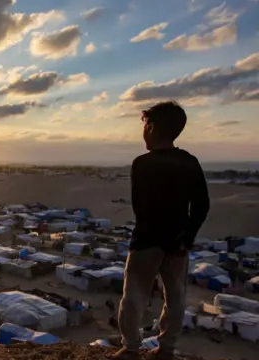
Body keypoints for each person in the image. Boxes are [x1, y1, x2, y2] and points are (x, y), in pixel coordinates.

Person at [112, 101, 210, 360]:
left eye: (145, 125)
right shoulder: (190, 162)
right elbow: (201, 206)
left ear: (151, 127)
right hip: (178, 242)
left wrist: (154, 235)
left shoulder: (142, 164)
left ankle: (131, 348)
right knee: (176, 297)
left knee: (133, 297)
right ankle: (166, 349)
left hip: (146, 241)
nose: (143, 131)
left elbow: (140, 208)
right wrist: (186, 237)